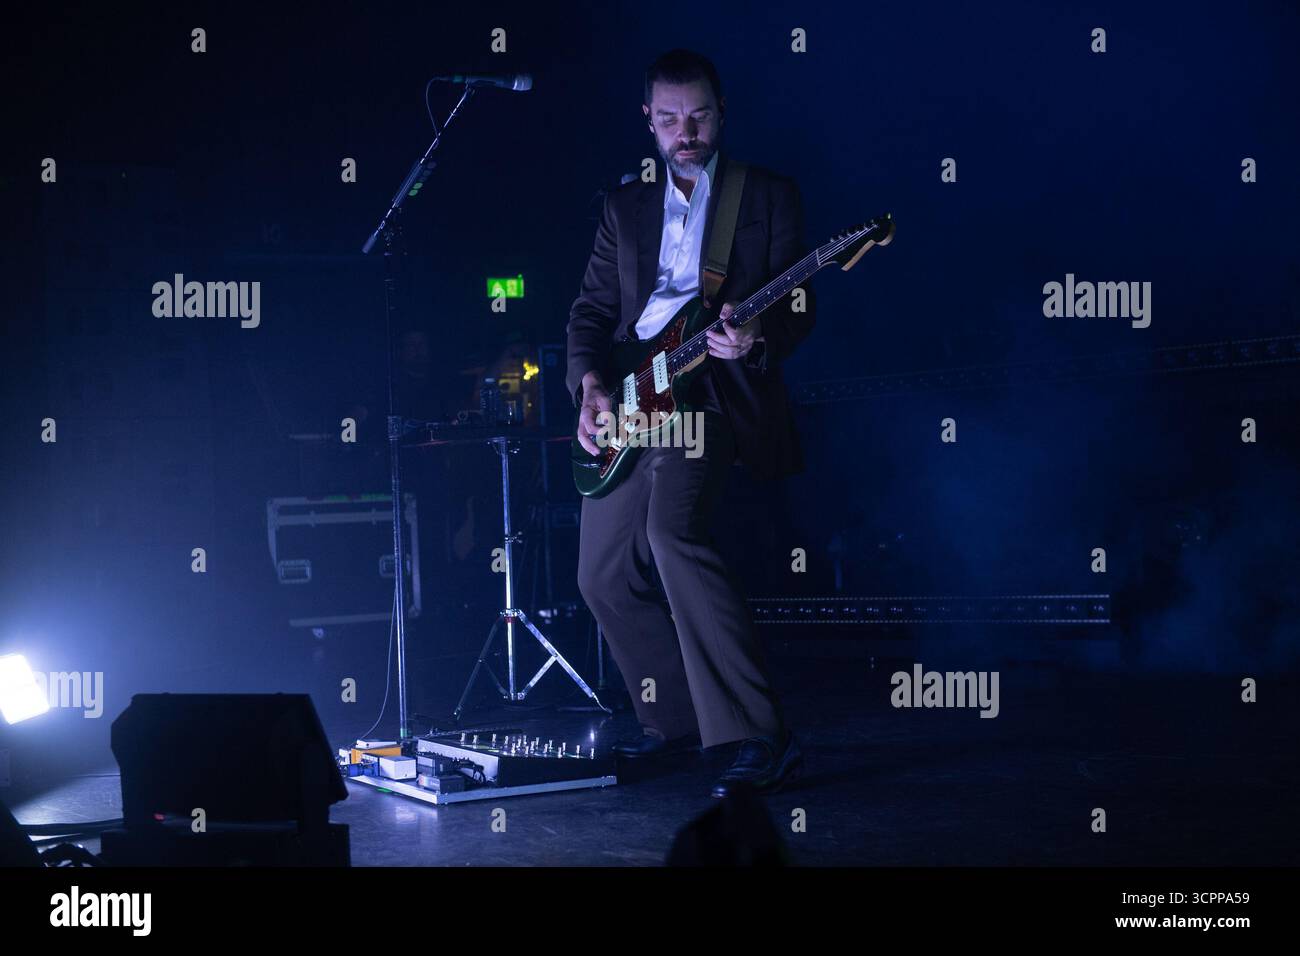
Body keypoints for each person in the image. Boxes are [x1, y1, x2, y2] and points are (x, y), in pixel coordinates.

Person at [566, 49, 815, 797]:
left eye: (699, 114)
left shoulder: (765, 196)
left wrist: (758, 337)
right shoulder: (622, 207)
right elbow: (591, 314)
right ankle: (672, 722)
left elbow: (800, 305)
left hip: (709, 397)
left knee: (671, 536)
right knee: (599, 573)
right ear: (648, 120)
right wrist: (589, 386)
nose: (687, 131)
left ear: (722, 110)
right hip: (635, 394)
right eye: (670, 118)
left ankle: (758, 735)